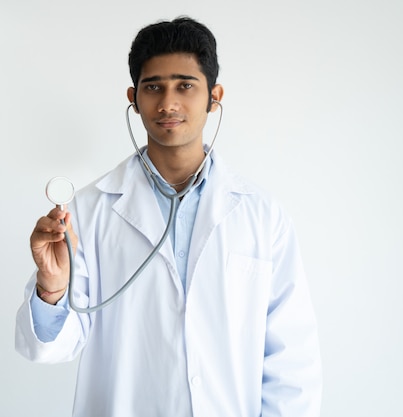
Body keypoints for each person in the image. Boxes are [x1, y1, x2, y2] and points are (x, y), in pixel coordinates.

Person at [16, 16, 322, 417]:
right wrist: (52, 288)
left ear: (215, 97)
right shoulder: (88, 212)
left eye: (185, 85)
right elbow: (52, 348)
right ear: (133, 96)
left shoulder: (261, 215)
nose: (168, 103)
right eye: (153, 87)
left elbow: (291, 361)